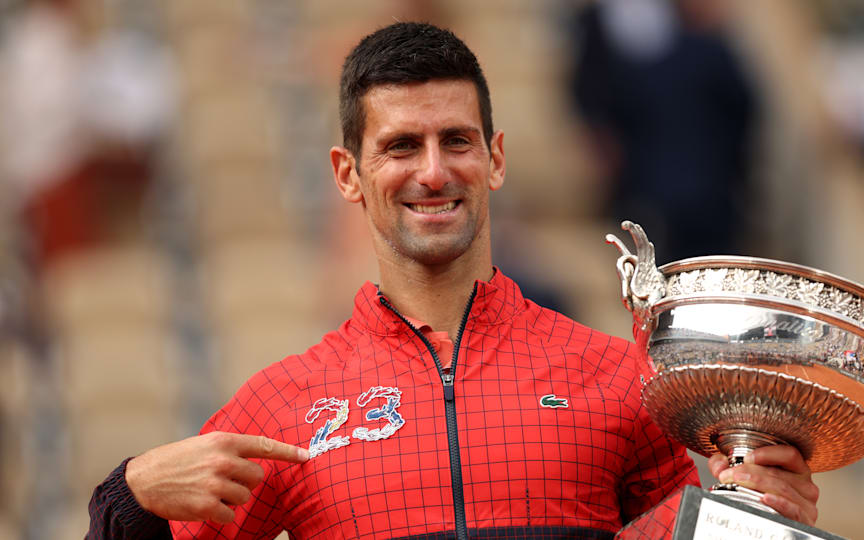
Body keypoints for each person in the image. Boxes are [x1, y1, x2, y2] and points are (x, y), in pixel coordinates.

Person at [86, 22, 818, 539]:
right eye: (401, 145)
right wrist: (130, 500)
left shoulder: (618, 377)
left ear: (495, 159)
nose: (433, 172)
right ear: (349, 174)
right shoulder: (283, 409)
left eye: (456, 141)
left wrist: (760, 514)